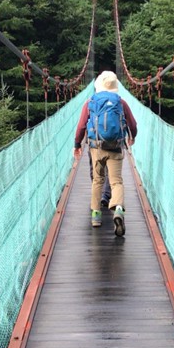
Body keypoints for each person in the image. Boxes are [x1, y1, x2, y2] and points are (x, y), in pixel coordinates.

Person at [74, 71, 137, 236]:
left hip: (96, 147)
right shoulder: (120, 102)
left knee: (97, 180)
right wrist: (132, 136)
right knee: (116, 182)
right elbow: (133, 123)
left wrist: (77, 144)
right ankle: (118, 210)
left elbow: (81, 126)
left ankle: (96, 216)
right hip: (115, 147)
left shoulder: (90, 102)